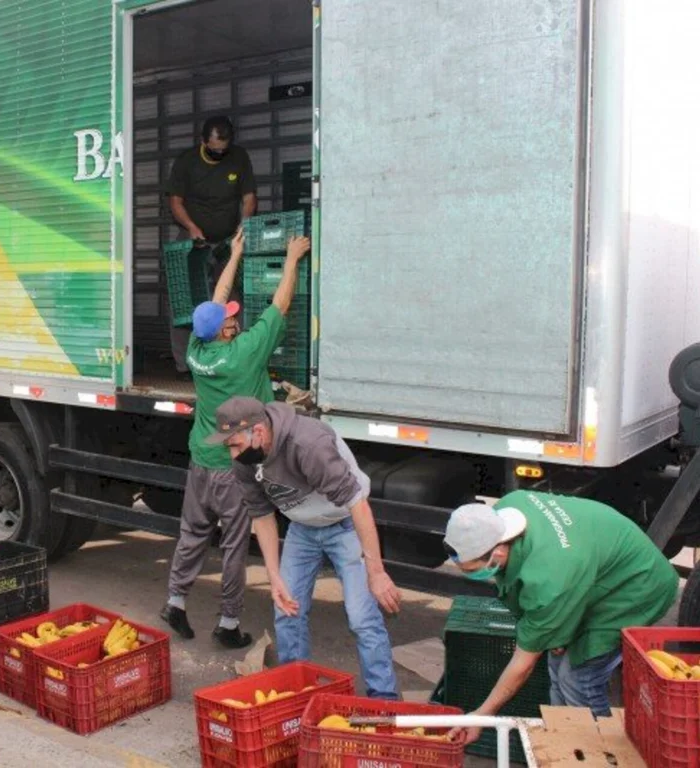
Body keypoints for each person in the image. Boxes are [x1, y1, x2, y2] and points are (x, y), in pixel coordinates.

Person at [161, 231, 311, 649]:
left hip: (201, 459)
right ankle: (228, 623)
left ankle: (175, 600)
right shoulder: (246, 351)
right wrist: (292, 259)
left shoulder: (196, 348)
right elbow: (280, 305)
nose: (234, 317)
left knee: (193, 531)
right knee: (233, 543)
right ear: (226, 330)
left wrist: (237, 254)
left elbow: (216, 297)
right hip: (234, 466)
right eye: (230, 317)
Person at [443, 491, 679, 743]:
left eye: (472, 570)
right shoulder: (507, 508)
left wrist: (482, 715)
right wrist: (555, 631)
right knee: (557, 667)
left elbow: (523, 665)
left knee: (578, 679)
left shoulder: (549, 579)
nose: (468, 575)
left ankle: (599, 753)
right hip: (592, 572)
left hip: (636, 587)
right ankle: (566, 744)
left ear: (497, 553)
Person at [207, 396, 401, 699]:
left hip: (346, 524)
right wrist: (275, 577)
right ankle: (295, 695)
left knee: (362, 618)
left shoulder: (308, 444)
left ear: (257, 432)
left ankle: (384, 700)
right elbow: (261, 515)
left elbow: (358, 505)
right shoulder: (245, 460)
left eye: (234, 444)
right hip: (302, 529)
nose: (231, 453)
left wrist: (376, 572)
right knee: (287, 611)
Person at [166, 116, 257, 375]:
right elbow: (175, 201)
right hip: (193, 236)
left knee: (231, 298)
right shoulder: (187, 161)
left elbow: (249, 197)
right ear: (203, 141)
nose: (219, 154)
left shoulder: (239, 158)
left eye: (223, 150)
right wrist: (193, 229)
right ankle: (184, 365)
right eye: (214, 150)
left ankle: (234, 357)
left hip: (226, 238)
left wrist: (243, 226)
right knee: (184, 299)